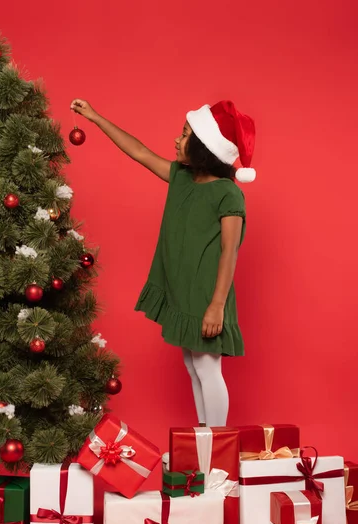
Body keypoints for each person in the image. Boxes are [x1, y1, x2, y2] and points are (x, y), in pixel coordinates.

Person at [70, 98, 256, 426]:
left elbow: (230, 251)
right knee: (192, 367)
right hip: (180, 289)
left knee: (207, 368)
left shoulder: (228, 193)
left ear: (204, 147)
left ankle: (216, 450)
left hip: (206, 293)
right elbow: (139, 152)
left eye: (184, 134)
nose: (176, 139)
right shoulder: (181, 178)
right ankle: (203, 443)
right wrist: (96, 117)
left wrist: (216, 305)